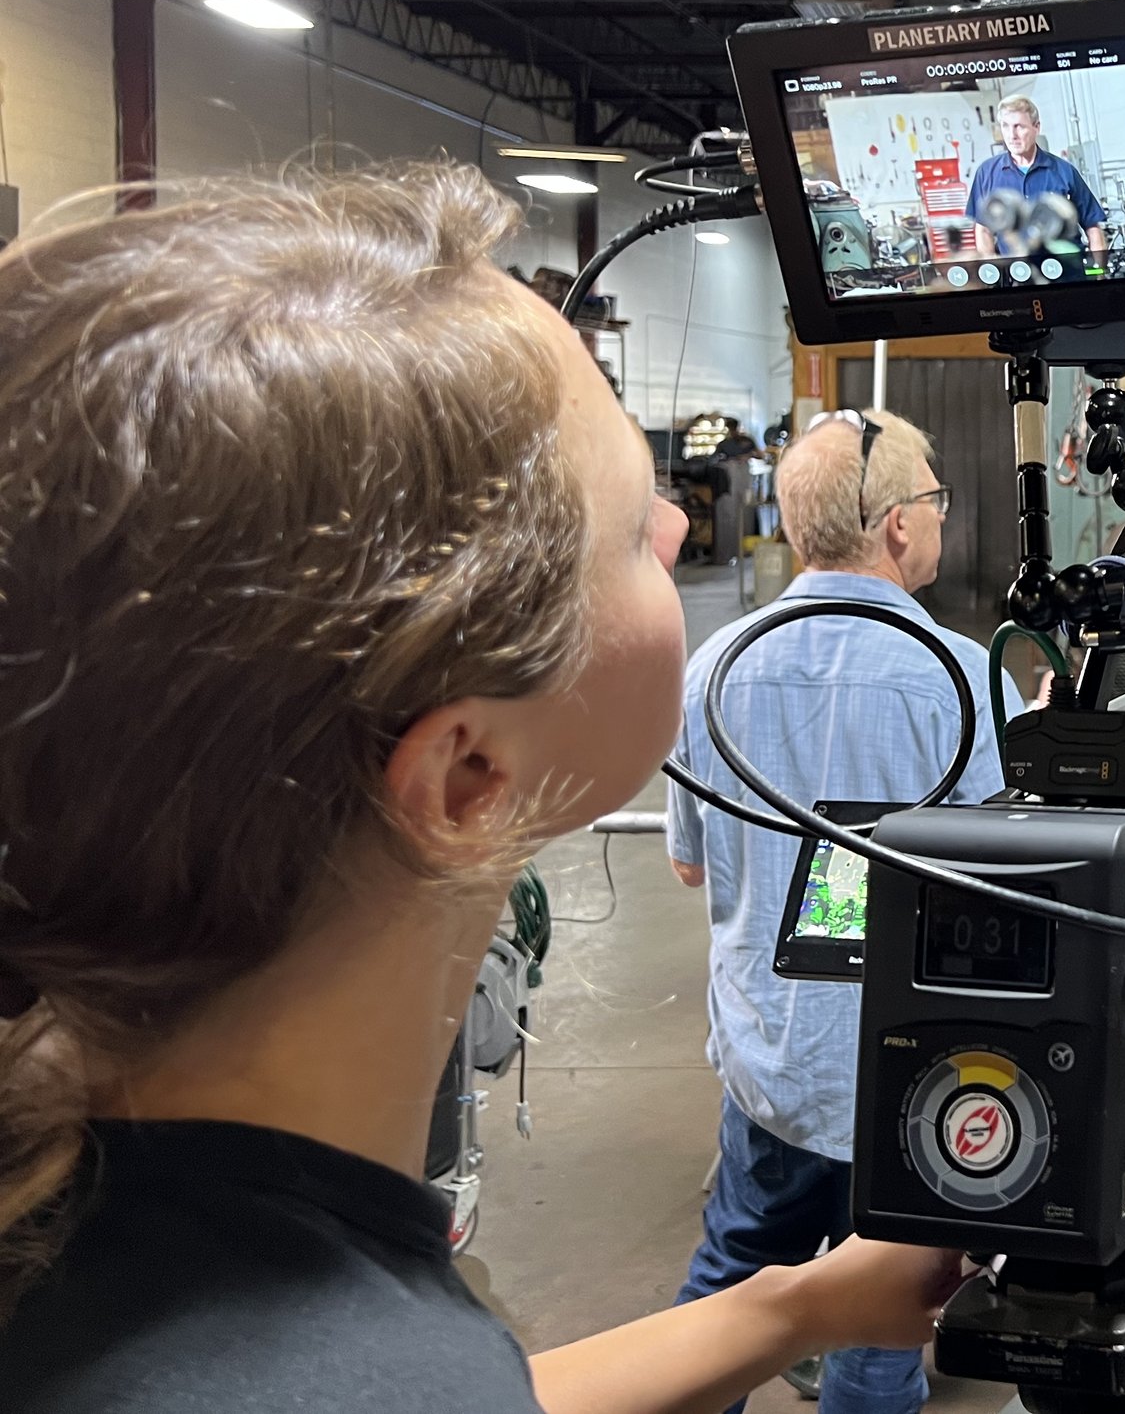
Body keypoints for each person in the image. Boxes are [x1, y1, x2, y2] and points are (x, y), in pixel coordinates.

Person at [0, 166, 962, 1413]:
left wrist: (794, 1306)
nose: (679, 535)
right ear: (466, 776)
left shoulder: (145, 1263)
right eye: (630, 527)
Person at [666, 407, 1018, 1414]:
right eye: (936, 502)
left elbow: (693, 869)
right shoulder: (963, 682)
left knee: (733, 1277)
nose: (940, 522)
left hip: (768, 1060)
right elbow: (1004, 889)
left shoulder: (715, 668)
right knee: (883, 1314)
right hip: (908, 1071)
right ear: (898, 526)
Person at [966, 96, 1109, 258]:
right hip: (1019, 274)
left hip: (1067, 273)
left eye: (1019, 126)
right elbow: (983, 229)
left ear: (1036, 127)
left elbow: (1093, 227)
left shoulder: (1064, 171)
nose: (1012, 135)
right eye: (1005, 126)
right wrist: (992, 275)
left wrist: (1100, 273)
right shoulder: (986, 173)